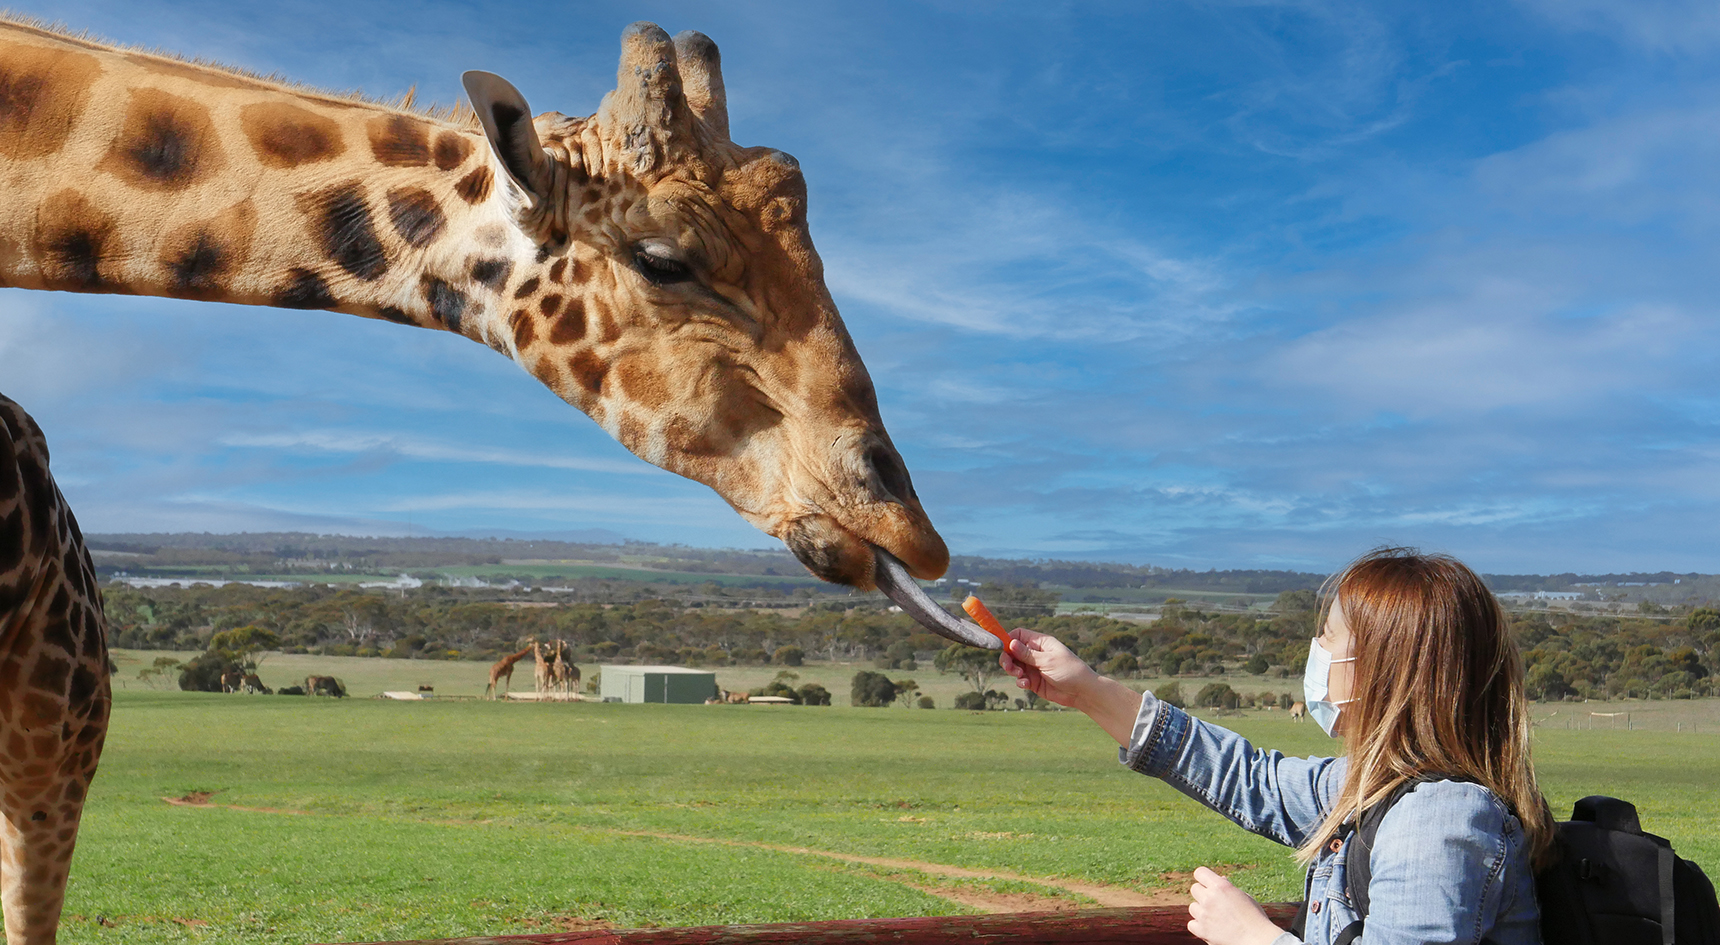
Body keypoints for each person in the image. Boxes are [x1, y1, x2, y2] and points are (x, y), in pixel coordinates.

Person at [999, 548, 1552, 945]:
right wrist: (1088, 691)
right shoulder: (1377, 787)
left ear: (1379, 671)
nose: (1316, 649)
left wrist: (1252, 938)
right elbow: (1250, 779)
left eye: (1329, 637)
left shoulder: (1438, 818)